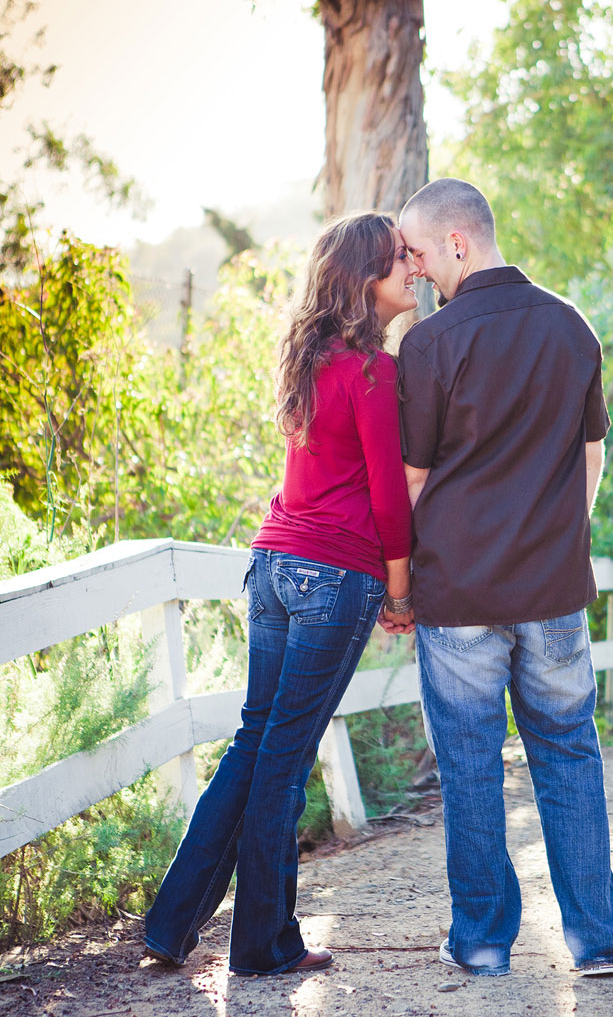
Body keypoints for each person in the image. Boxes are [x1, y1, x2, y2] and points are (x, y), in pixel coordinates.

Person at [144, 213, 418, 976]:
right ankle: (263, 944)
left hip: (272, 568)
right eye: (400, 257)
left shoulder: (310, 358)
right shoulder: (371, 369)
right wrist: (400, 590)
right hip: (334, 573)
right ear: (366, 275)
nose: (414, 268)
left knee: (255, 744)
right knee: (283, 761)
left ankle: (171, 924)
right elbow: (390, 499)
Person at [397, 178, 613, 979]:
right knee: (569, 752)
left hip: (458, 590)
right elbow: (591, 455)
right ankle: (602, 941)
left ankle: (482, 941)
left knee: (469, 764)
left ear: (458, 244)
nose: (420, 271)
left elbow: (413, 481)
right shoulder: (573, 327)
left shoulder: (430, 347)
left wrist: (400, 582)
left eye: (424, 254)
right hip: (553, 587)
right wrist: (561, 535)